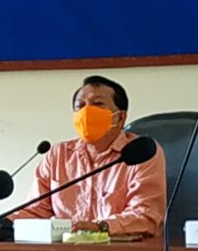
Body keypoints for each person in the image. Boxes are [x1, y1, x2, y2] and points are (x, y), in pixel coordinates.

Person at [13, 75, 166, 236]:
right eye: (80, 106)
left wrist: (101, 227)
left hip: (121, 248)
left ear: (121, 117)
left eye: (98, 104)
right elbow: (36, 210)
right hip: (66, 248)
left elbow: (146, 216)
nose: (86, 112)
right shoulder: (58, 155)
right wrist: (4, 224)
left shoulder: (141, 153)